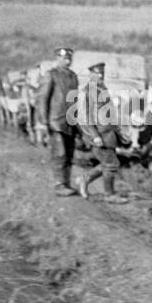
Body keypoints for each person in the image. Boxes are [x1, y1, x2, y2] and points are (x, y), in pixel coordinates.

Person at [75, 63, 128, 203]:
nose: (100, 76)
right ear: (90, 75)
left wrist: (119, 132)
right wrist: (95, 136)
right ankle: (109, 195)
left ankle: (84, 179)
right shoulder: (86, 92)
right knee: (111, 164)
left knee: (109, 163)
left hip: (108, 134)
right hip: (99, 135)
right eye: (97, 73)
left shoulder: (102, 89)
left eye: (102, 73)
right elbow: (83, 117)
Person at [33, 47, 81, 195]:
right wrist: (44, 120)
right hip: (55, 120)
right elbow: (42, 99)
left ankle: (66, 183)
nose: (67, 60)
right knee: (59, 153)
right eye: (64, 58)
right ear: (57, 59)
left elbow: (74, 100)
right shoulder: (51, 75)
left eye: (69, 58)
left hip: (70, 121)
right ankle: (59, 185)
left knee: (69, 154)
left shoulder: (73, 76)